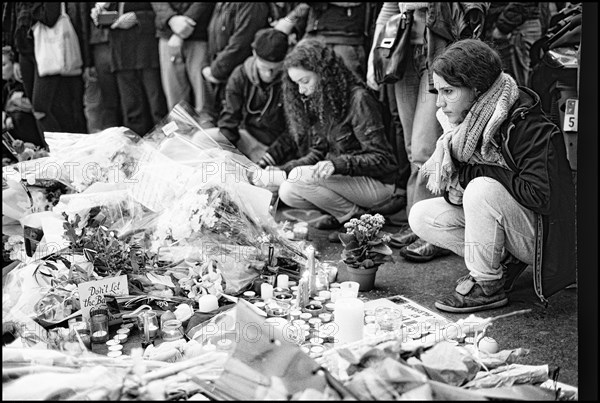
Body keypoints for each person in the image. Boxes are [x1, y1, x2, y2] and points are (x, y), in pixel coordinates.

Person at [408, 39, 575, 313]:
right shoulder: (463, 127)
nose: (440, 103)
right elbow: (472, 188)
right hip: (512, 223)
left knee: (481, 188)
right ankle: (499, 264)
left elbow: (541, 196)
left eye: (449, 91)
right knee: (422, 216)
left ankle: (487, 286)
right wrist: (457, 187)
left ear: (477, 89)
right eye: (438, 92)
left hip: (547, 241)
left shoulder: (530, 126)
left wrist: (473, 176)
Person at [367, 2, 487, 263]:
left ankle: (431, 230)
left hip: (443, 48)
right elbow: (389, 8)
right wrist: (373, 57)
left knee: (424, 147)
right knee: (412, 148)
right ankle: (415, 219)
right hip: (403, 49)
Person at [276, 38, 399, 236]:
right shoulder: (322, 100)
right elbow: (317, 152)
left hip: (378, 185)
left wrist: (338, 164)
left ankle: (354, 219)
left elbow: (383, 159)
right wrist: (280, 170)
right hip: (348, 181)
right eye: (296, 84)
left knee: (298, 179)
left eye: (305, 81)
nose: (300, 90)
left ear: (323, 74)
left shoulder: (359, 99)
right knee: (287, 190)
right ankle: (352, 215)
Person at [207, 28, 298, 167]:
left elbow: (294, 130)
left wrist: (269, 158)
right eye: (264, 67)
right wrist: (227, 150)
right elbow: (229, 119)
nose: (268, 74)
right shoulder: (240, 75)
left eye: (275, 69)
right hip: (247, 137)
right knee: (201, 139)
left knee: (267, 179)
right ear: (254, 54)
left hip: (276, 149)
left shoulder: (293, 79)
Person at [91, 2, 167, 137]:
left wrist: (137, 17)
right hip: (121, 54)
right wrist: (99, 14)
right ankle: (137, 150)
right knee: (131, 109)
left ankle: (167, 145)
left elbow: (163, 13)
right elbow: (105, 22)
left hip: (148, 52)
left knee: (158, 106)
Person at [201, 3, 270, 127]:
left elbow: (240, 44)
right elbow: (212, 38)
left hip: (239, 79)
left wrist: (215, 70)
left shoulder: (252, 6)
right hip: (220, 79)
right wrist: (208, 65)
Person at [274, 2, 378, 80]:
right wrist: (289, 19)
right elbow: (304, 6)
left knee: (350, 88)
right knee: (296, 78)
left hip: (345, 38)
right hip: (314, 34)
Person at [31, 2, 88, 134]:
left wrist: (31, 11)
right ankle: (61, 148)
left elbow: (50, 17)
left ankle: (57, 148)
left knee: (42, 108)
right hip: (52, 59)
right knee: (62, 108)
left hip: (52, 58)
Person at [151, 2, 215, 112]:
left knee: (204, 96)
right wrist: (171, 19)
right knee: (175, 100)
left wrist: (185, 25)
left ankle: (206, 126)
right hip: (167, 34)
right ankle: (180, 127)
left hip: (199, 33)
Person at [484, 2, 547, 87]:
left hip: (517, 25)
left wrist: (504, 24)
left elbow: (522, 5)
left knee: (518, 82)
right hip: (514, 22)